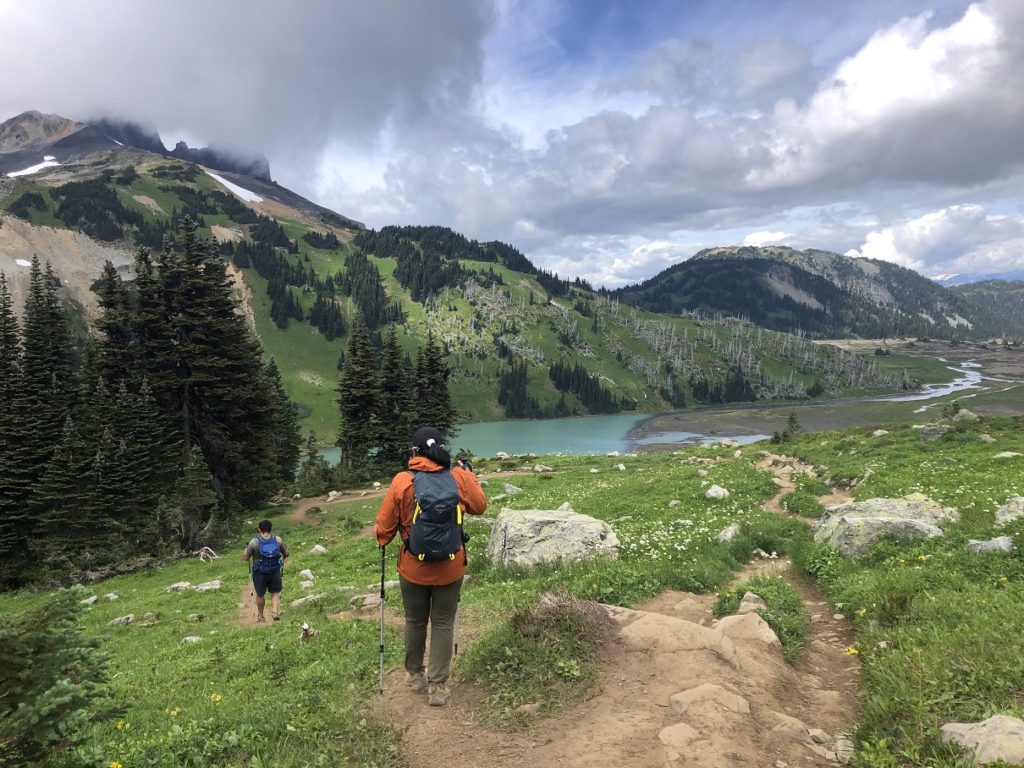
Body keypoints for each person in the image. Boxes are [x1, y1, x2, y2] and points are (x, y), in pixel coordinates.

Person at [375, 426, 486, 706]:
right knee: (443, 622)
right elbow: (480, 506)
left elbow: (384, 531)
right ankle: (438, 687)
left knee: (415, 620)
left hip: (413, 568)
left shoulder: (403, 480)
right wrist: (468, 474)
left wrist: (387, 536)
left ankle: (415, 676)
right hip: (450, 567)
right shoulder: (458, 477)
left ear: (414, 451)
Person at [243, 519, 289, 624]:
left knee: (260, 594)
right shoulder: (277, 540)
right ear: (271, 529)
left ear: (259, 529)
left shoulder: (254, 542)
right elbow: (286, 553)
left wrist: (246, 548)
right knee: (275, 592)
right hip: (275, 570)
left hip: (260, 572)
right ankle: (275, 611)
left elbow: (246, 558)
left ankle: (261, 617)